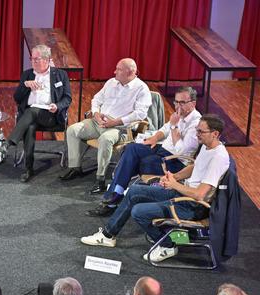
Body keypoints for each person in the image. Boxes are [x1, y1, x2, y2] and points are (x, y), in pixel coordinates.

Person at [80, 115, 230, 263]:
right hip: (183, 192)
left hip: (192, 205)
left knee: (138, 212)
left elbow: (200, 194)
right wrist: (175, 176)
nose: (197, 135)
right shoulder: (207, 146)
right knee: (134, 190)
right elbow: (194, 166)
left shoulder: (218, 157)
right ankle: (107, 235)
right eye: (197, 130)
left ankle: (168, 245)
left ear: (215, 134)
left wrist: (174, 185)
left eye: (200, 132)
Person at [88, 87, 201, 217]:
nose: (178, 106)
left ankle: (112, 199)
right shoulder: (179, 115)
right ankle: (116, 194)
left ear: (193, 103)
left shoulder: (196, 123)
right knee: (131, 148)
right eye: (176, 102)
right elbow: (164, 129)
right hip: (161, 150)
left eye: (182, 103)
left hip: (177, 161)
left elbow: (182, 150)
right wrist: (155, 137)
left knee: (138, 162)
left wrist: (174, 126)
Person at [61, 58, 152, 194]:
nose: (114, 71)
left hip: (120, 128)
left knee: (105, 139)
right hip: (98, 121)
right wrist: (96, 114)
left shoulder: (141, 89)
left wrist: (115, 122)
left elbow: (140, 114)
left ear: (130, 72)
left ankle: (100, 180)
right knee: (72, 130)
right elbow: (96, 99)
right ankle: (75, 168)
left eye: (119, 69)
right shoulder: (111, 82)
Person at [0, 44, 72, 182]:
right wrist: (25, 85)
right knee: (30, 125)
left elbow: (67, 98)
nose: (33, 62)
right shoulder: (27, 74)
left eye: (36, 59)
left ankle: (9, 142)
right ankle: (28, 168)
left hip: (50, 115)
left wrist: (57, 106)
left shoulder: (60, 75)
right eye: (31, 58)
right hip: (29, 116)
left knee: (32, 112)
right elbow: (17, 98)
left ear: (46, 59)